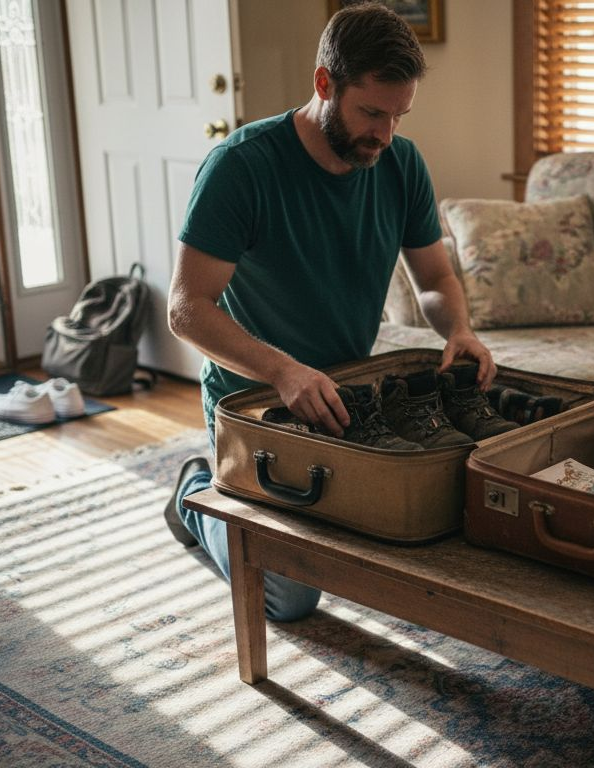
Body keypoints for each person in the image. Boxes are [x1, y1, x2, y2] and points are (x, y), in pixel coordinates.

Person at [163, 2, 496, 622]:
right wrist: (284, 371)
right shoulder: (241, 167)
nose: (385, 134)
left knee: (436, 520)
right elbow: (186, 311)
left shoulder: (401, 163)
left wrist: (459, 330)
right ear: (324, 84)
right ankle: (196, 494)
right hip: (257, 405)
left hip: (348, 401)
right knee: (290, 597)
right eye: (371, 112)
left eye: (399, 115)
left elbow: (434, 277)